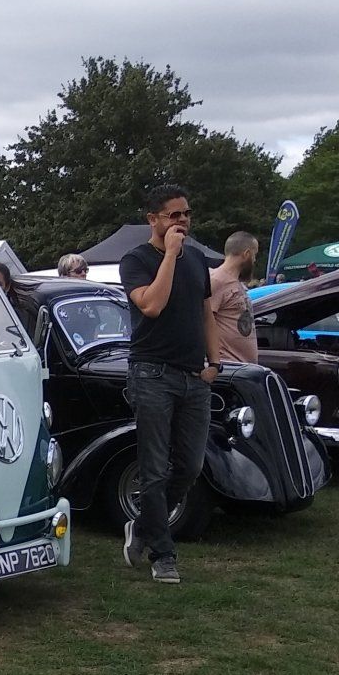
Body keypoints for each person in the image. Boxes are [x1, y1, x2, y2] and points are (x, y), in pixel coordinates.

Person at [118, 185, 221, 583]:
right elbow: (151, 305)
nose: (183, 221)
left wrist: (215, 363)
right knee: (155, 467)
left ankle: (143, 526)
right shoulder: (136, 259)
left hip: (194, 376)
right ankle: (163, 554)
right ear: (153, 220)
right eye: (174, 215)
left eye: (187, 214)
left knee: (191, 465)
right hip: (152, 374)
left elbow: (206, 313)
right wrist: (170, 257)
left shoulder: (197, 259)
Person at [207, 232, 260, 363]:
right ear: (247, 254)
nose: (254, 260)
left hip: (242, 367)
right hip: (227, 365)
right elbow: (204, 321)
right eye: (254, 255)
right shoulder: (217, 280)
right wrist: (214, 363)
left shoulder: (236, 283)